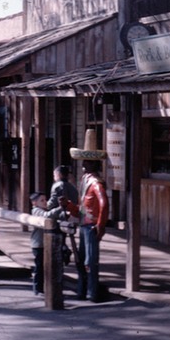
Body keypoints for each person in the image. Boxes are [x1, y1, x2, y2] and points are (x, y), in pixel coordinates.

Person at [60, 129, 110, 302]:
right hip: (84, 225)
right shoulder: (85, 181)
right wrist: (68, 205)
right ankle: (83, 290)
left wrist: (100, 225)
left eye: (87, 162)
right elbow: (82, 208)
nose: (83, 165)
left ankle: (92, 292)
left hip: (91, 227)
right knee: (82, 260)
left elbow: (104, 203)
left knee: (90, 261)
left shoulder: (96, 183)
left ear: (94, 164)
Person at [29, 191, 64, 295]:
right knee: (39, 267)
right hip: (38, 244)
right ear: (34, 203)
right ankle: (37, 288)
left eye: (46, 199)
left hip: (46, 243)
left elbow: (54, 215)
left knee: (46, 266)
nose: (45, 202)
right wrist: (60, 208)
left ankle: (45, 287)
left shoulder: (44, 210)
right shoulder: (36, 211)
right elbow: (47, 216)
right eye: (42, 200)